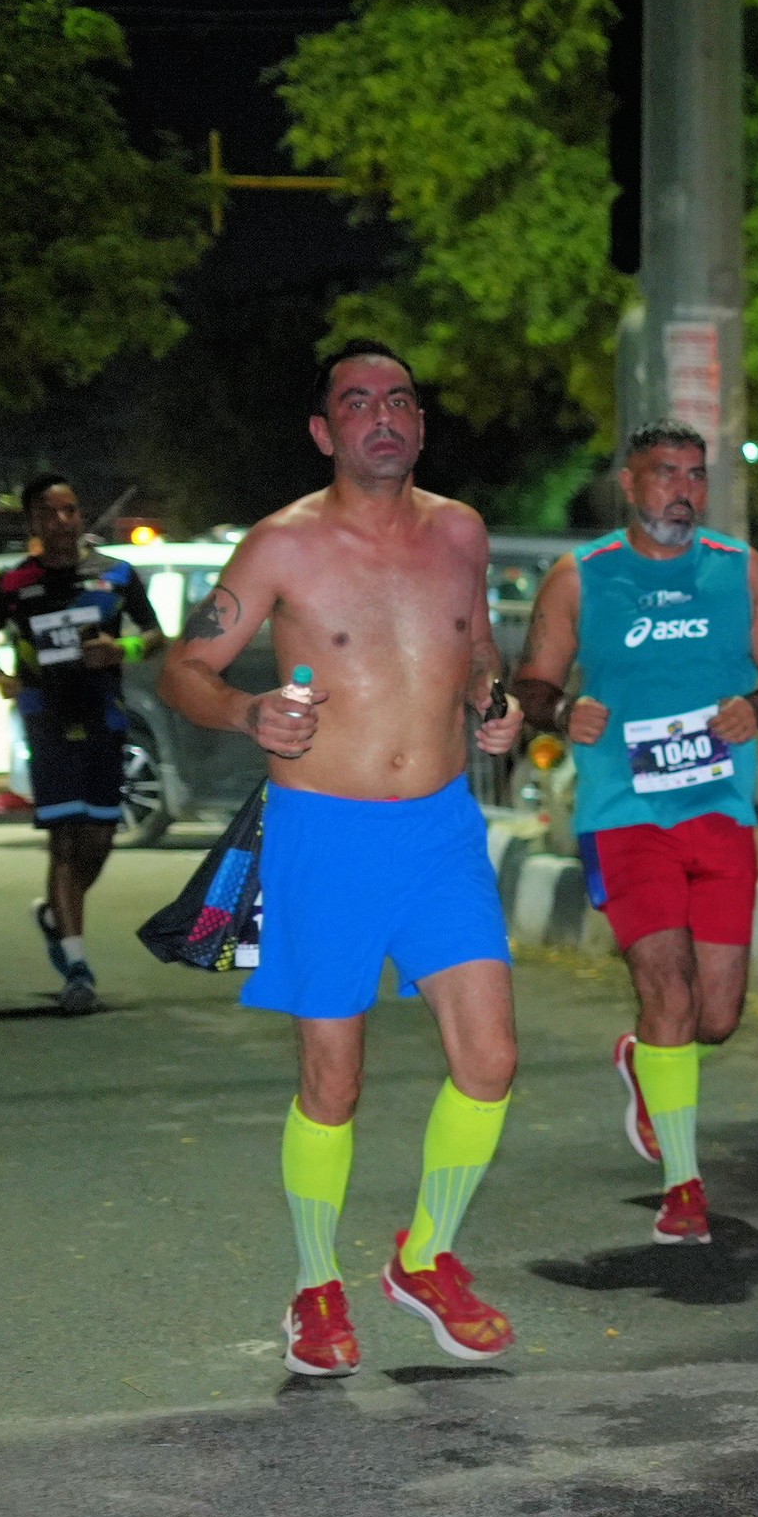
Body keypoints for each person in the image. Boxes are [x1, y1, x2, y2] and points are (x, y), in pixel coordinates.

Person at [157, 340, 528, 1379]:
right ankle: (316, 1284)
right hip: (324, 832)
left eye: (399, 399)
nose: (383, 415)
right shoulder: (282, 545)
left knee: (491, 1059)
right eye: (358, 402)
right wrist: (246, 710)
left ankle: (425, 1259)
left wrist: (494, 700)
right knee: (333, 1079)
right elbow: (184, 666)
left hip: (441, 832)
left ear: (420, 424)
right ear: (325, 432)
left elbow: (478, 647)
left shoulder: (460, 531)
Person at [510, 421, 758, 1243]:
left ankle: (647, 1059)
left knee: (716, 1017)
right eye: (666, 474)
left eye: (695, 475)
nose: (683, 490)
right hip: (624, 817)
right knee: (669, 994)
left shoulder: (737, 569)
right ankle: (683, 1186)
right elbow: (530, 685)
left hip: (718, 812)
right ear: (629, 484)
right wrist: (563, 712)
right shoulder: (582, 577)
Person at [0, 473, 164, 1012]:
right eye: (50, 512)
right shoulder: (14, 583)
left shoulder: (115, 574)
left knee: (98, 839)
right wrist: (2, 678)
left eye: (70, 510)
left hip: (105, 718)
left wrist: (121, 648)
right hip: (47, 721)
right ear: (32, 520)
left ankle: (55, 913)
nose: (62, 521)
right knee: (63, 839)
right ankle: (77, 969)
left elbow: (154, 635)